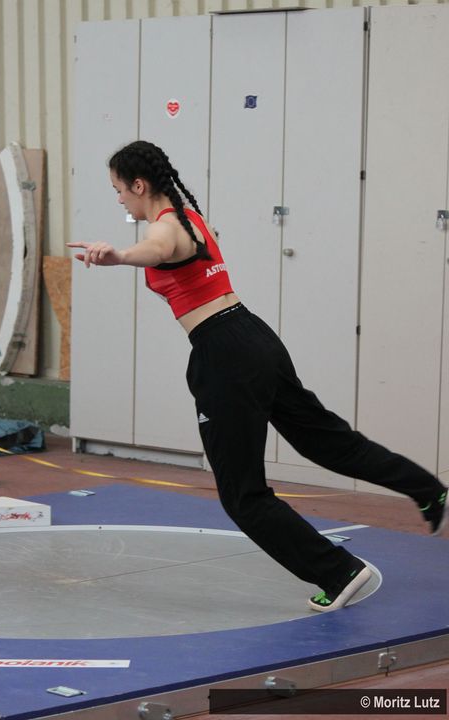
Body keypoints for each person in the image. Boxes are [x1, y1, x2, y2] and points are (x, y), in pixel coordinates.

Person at [68, 140, 448, 612]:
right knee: (331, 444)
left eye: (119, 190)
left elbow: (158, 249)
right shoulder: (190, 218)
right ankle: (429, 491)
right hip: (254, 338)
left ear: (139, 186)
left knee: (243, 496)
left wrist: (120, 256)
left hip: (225, 354)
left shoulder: (167, 229)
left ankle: (340, 572)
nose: (119, 200)